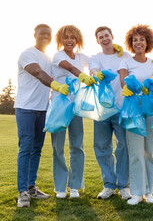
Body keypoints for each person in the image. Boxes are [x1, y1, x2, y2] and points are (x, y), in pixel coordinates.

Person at [14, 24, 69, 208]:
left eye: (48, 34)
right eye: (42, 34)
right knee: (26, 147)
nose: (45, 36)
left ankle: (31, 187)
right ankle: (22, 192)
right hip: (26, 108)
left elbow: (61, 72)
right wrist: (56, 86)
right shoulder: (28, 54)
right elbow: (38, 72)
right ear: (34, 35)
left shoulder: (49, 57)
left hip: (43, 109)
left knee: (37, 148)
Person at [50, 24, 96, 199]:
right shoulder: (58, 56)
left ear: (78, 40)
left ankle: (75, 186)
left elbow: (94, 63)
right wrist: (82, 76)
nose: (69, 40)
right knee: (58, 147)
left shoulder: (82, 56)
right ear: (61, 40)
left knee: (77, 146)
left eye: (72, 37)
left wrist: (93, 71)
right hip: (59, 106)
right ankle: (60, 187)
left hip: (75, 107)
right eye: (66, 37)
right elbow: (69, 67)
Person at [88, 26, 132, 200]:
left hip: (122, 108)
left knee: (123, 147)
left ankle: (123, 186)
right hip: (102, 110)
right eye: (101, 37)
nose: (105, 39)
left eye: (107, 35)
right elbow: (93, 70)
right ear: (97, 40)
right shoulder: (95, 58)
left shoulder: (125, 56)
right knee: (102, 147)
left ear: (112, 36)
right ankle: (108, 185)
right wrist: (97, 74)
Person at [118, 24, 153, 205]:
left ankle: (149, 192)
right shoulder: (126, 61)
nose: (138, 43)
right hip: (133, 109)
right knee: (135, 152)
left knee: (149, 151)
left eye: (142, 39)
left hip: (150, 109)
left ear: (147, 42)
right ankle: (136, 192)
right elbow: (123, 81)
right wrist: (129, 88)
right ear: (131, 43)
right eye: (135, 40)